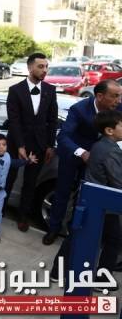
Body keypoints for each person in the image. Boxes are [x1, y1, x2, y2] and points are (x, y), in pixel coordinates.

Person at [50, 109, 122, 293]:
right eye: (121, 125)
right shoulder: (111, 150)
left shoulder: (99, 145)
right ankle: (102, 279)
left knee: (76, 235)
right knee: (113, 240)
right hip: (104, 203)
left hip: (89, 199)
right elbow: (118, 181)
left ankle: (57, 271)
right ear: (109, 130)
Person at [43, 79, 122, 245]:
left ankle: (75, 233)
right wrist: (82, 153)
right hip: (72, 158)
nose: (118, 100)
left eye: (119, 96)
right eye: (115, 96)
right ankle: (53, 229)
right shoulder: (79, 109)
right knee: (62, 194)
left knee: (85, 198)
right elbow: (63, 137)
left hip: (96, 163)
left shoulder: (118, 108)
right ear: (100, 96)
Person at [6, 52, 57, 232]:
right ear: (30, 68)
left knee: (30, 182)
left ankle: (23, 216)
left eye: (46, 67)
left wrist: (50, 145)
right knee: (8, 178)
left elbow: (52, 120)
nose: (45, 70)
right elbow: (14, 121)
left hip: (39, 145)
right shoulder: (15, 90)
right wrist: (20, 145)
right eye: (40, 66)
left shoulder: (50, 90)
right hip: (15, 144)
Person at [0, 134, 36, 243]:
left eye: (4, 144)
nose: (1, 147)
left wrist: (27, 161)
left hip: (0, 193)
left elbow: (15, 163)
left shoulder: (8, 157)